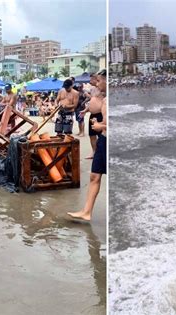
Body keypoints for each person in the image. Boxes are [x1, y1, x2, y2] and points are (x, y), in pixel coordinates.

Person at [67, 69, 106, 222]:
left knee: (97, 176)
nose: (98, 82)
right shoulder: (102, 97)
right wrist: (101, 125)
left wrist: (101, 126)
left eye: (100, 80)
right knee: (94, 176)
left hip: (106, 139)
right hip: (102, 139)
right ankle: (86, 211)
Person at [79, 73, 103, 158]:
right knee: (91, 135)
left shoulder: (102, 89)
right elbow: (92, 101)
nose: (89, 81)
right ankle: (94, 152)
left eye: (91, 79)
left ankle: (101, 152)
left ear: (96, 79)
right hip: (92, 115)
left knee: (101, 135)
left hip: (100, 114)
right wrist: (85, 111)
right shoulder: (92, 89)